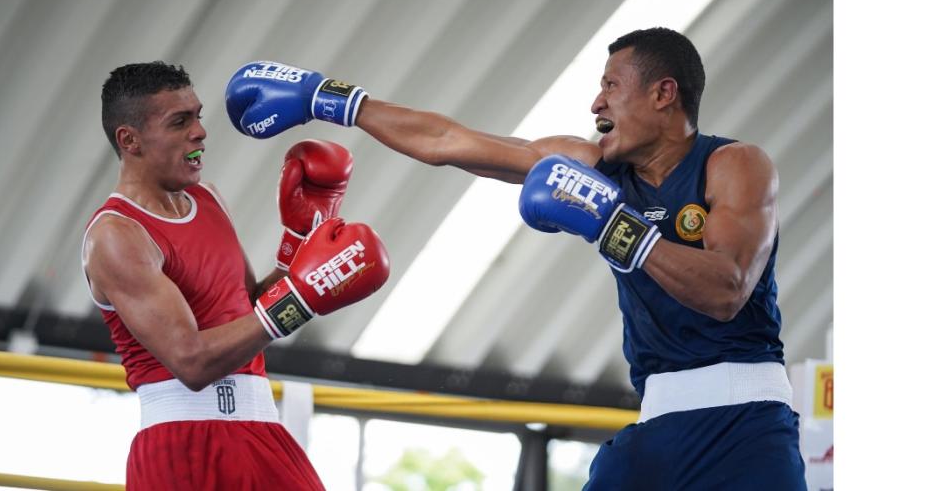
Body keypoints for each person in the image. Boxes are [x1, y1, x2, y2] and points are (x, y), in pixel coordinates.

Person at [223, 27, 807, 490]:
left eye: (611, 85)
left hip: (746, 422)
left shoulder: (734, 164)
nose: (596, 102)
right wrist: (331, 99)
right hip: (656, 423)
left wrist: (613, 225)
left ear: (663, 93)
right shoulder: (594, 166)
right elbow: (450, 141)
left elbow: (726, 291)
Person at [81, 61, 390, 490]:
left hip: (261, 430)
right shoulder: (117, 235)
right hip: (184, 446)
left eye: (198, 116)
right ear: (129, 140)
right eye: (179, 122)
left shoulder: (207, 199)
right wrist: (300, 299)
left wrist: (298, 241)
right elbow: (191, 361)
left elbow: (248, 312)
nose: (200, 132)